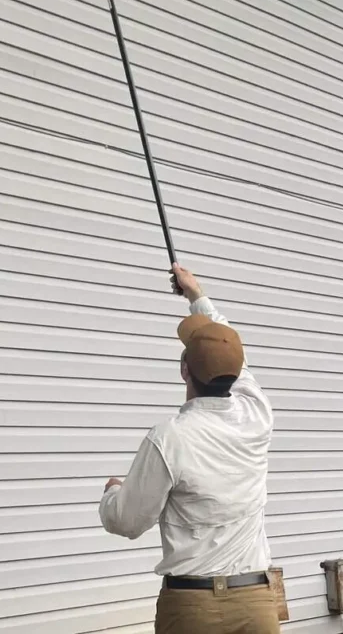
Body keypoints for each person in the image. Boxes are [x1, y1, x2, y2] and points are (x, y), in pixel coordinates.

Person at [98, 263, 278, 634]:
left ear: (184, 371)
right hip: (256, 603)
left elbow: (127, 522)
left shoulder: (170, 438)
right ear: (237, 370)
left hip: (192, 609)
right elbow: (226, 342)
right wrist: (197, 295)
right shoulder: (257, 414)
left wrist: (113, 492)